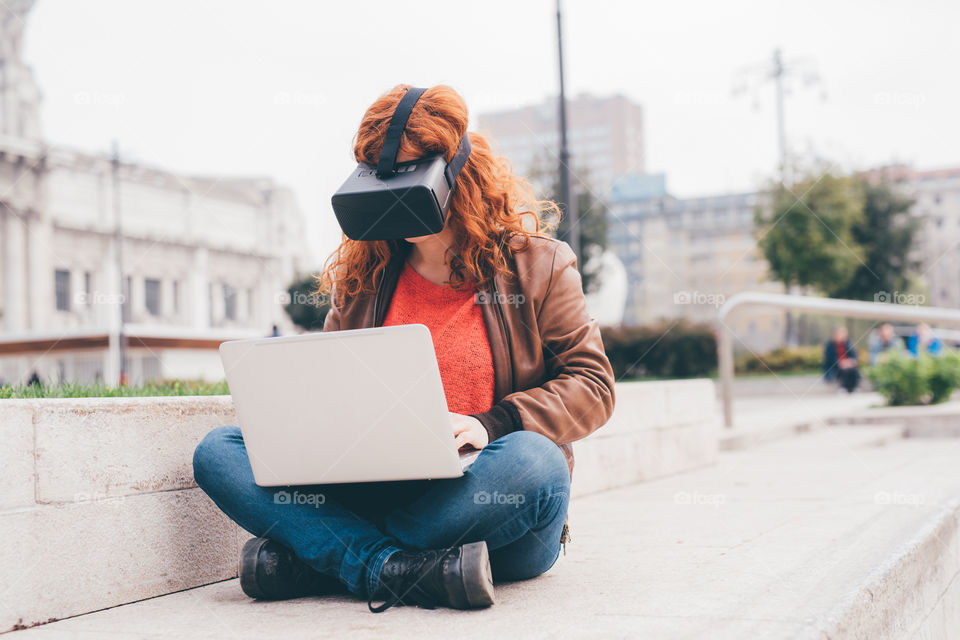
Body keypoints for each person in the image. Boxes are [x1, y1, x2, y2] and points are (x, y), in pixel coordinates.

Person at [192, 84, 616, 613]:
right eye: (376, 175)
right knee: (218, 451)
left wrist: (493, 423)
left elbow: (593, 386)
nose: (388, 190)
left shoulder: (540, 266)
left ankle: (329, 556)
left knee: (537, 463)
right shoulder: (364, 279)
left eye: (406, 173)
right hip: (381, 488)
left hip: (486, 505)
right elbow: (335, 393)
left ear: (456, 174)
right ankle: (397, 569)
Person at [823, 326, 860, 393]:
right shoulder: (830, 345)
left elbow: (854, 356)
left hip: (848, 364)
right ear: (836, 335)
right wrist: (841, 363)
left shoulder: (848, 343)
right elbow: (829, 360)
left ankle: (853, 387)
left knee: (852, 370)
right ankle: (843, 387)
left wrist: (851, 362)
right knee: (844, 370)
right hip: (836, 367)